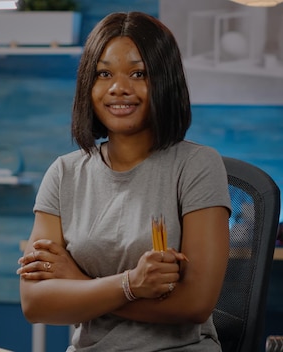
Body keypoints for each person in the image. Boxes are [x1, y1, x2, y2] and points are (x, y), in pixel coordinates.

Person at [16, 11, 232, 351]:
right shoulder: (64, 173)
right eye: (104, 73)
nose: (119, 88)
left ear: (165, 81)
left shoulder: (197, 166)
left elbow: (195, 305)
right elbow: (35, 303)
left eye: (138, 73)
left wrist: (79, 283)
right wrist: (130, 284)